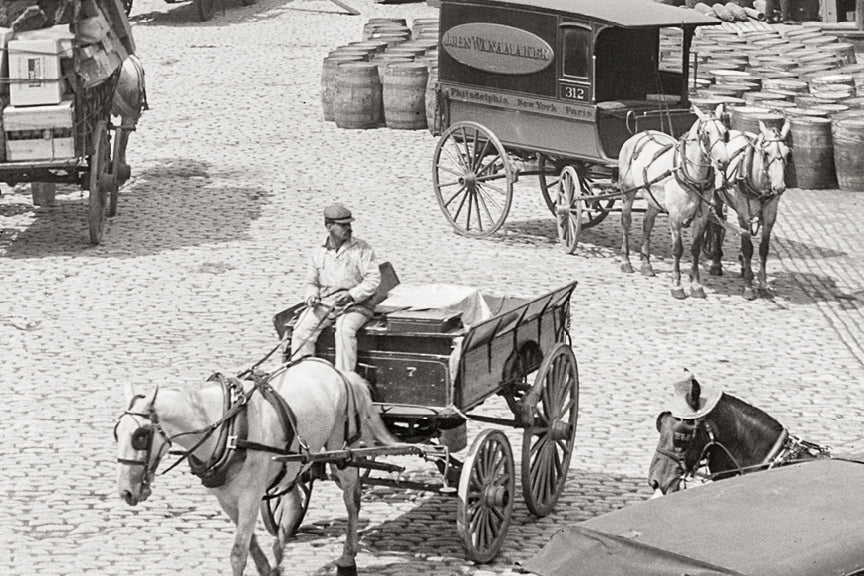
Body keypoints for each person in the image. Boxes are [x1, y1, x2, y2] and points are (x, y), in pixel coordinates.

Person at [290, 203, 381, 372]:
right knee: (301, 330)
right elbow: (311, 282)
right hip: (326, 304)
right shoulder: (318, 253)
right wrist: (311, 296)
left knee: (344, 330)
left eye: (349, 224)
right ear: (329, 227)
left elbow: (373, 280)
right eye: (343, 225)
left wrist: (352, 295)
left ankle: (344, 378)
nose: (349, 228)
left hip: (357, 306)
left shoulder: (362, 249)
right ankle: (304, 374)